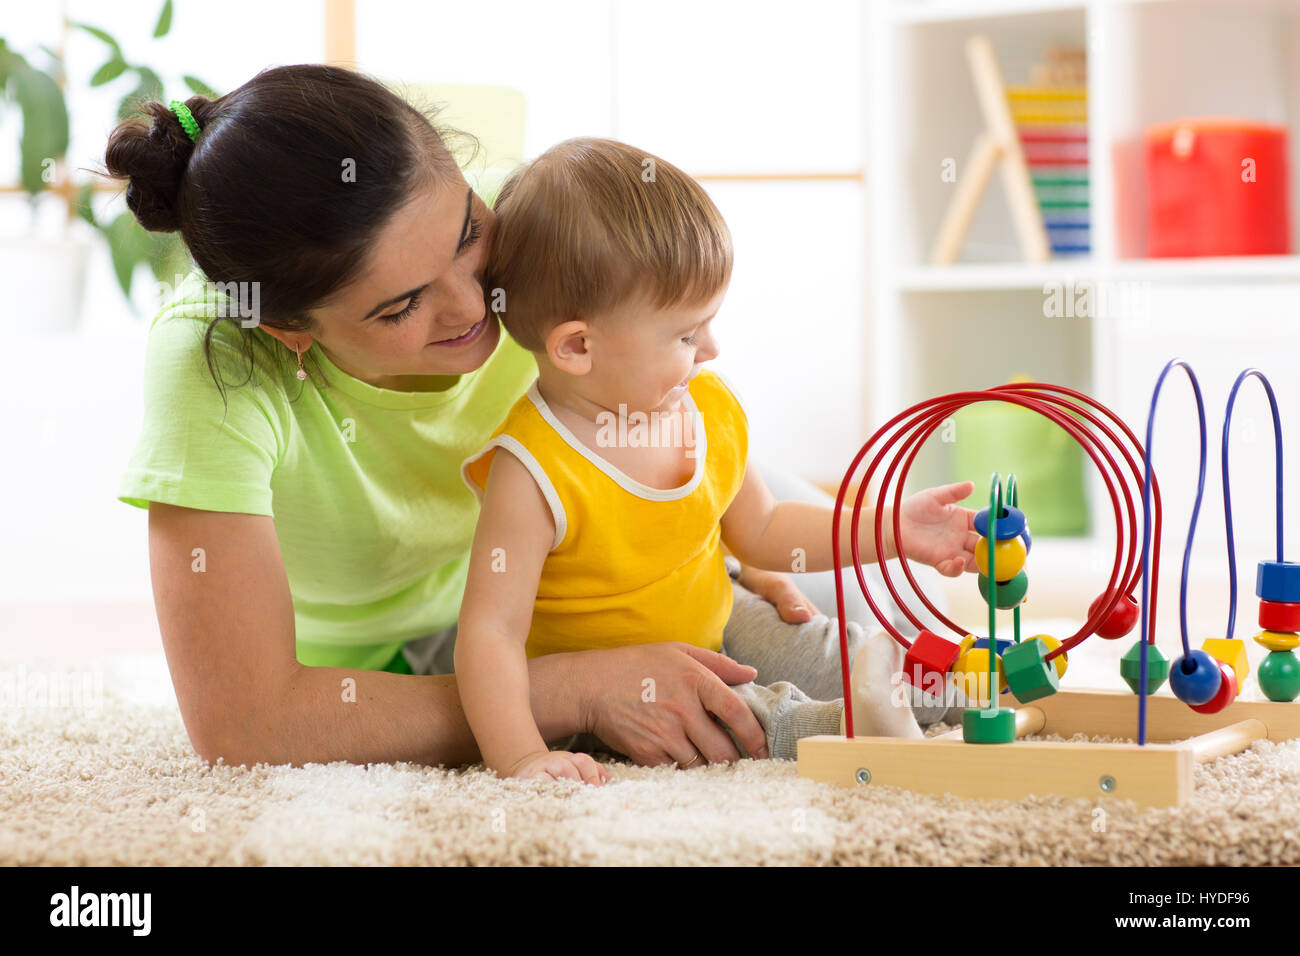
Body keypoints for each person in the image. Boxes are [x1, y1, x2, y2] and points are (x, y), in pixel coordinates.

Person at [108, 63, 922, 772]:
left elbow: (666, 353)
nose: (475, 307)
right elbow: (245, 726)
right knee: (714, 702)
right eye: (400, 308)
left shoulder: (532, 221)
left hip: (604, 544)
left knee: (877, 616)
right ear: (292, 330)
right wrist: (566, 691)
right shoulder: (212, 367)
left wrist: (714, 533)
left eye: (467, 234)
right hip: (424, 643)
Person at [456, 138, 980, 784]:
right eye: (685, 334)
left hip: (720, 621)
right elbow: (490, 635)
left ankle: (976, 687)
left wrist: (894, 527)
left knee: (833, 646)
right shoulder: (530, 472)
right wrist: (522, 757)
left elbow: (764, 529)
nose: (711, 347)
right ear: (577, 347)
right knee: (749, 718)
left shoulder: (701, 407)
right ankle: (858, 725)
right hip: (622, 693)